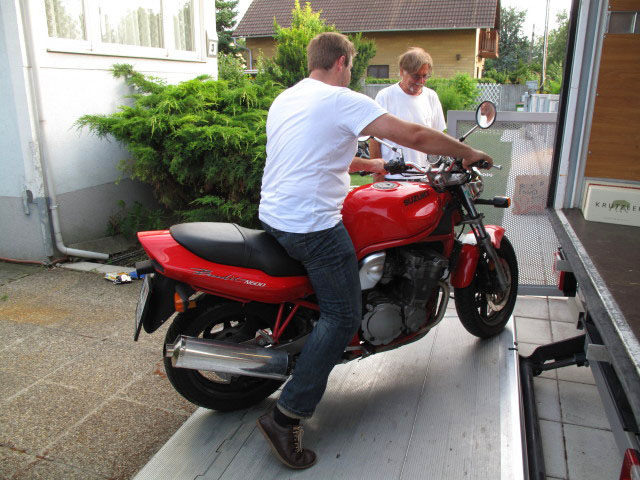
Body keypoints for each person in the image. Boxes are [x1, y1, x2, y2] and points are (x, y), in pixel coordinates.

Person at [257, 32, 492, 470]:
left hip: (275, 216)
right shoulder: (343, 99)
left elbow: (324, 154)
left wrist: (374, 165)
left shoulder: (288, 98)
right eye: (352, 64)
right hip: (311, 226)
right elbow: (417, 135)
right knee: (342, 316)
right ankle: (285, 414)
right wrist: (470, 152)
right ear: (343, 62)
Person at [370, 47, 445, 180]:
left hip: (423, 177)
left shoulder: (431, 97)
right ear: (401, 72)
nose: (421, 81)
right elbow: (375, 140)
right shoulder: (385, 96)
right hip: (392, 178)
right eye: (416, 76)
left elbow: (437, 138)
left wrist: (434, 171)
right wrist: (378, 175)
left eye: (425, 76)